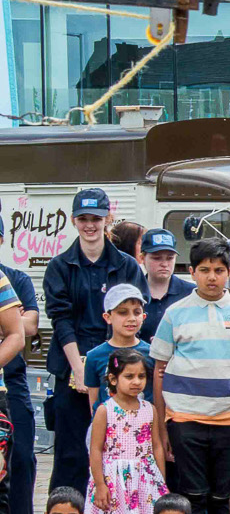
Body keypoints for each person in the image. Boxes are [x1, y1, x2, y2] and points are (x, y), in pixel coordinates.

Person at [150, 240, 230, 514]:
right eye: (204, 270)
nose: (212, 277)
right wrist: (161, 425)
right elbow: (160, 369)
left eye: (219, 270)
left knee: (224, 496)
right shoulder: (176, 313)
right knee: (193, 495)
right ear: (192, 272)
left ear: (229, 273)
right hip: (185, 418)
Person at [43, 187, 146, 491]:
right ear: (74, 220)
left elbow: (134, 317)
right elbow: (60, 319)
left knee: (119, 450)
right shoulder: (60, 266)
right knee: (71, 454)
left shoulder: (126, 265)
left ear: (107, 219)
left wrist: (111, 368)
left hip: (118, 366)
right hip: (71, 365)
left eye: (97, 218)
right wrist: (79, 368)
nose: (90, 225)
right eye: (84, 218)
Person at [88, 348, 168, 514]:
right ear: (113, 379)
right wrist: (100, 484)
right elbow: (95, 449)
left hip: (144, 479)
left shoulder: (148, 409)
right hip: (115, 480)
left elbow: (156, 447)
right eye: (129, 376)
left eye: (141, 376)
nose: (136, 382)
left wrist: (160, 482)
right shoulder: (105, 410)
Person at [2, 258, 35, 514]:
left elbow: (28, 327)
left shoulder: (13, 278)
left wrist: (13, 322)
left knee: (19, 460)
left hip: (10, 380)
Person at [82, 283, 148, 408]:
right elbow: (94, 403)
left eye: (137, 312)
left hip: (144, 424)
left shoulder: (152, 353)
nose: (131, 318)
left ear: (143, 316)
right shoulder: (94, 356)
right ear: (108, 317)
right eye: (123, 313)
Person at [135, 228, 194, 343]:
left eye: (170, 258)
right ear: (142, 258)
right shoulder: (132, 292)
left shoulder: (190, 293)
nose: (164, 264)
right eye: (156, 258)